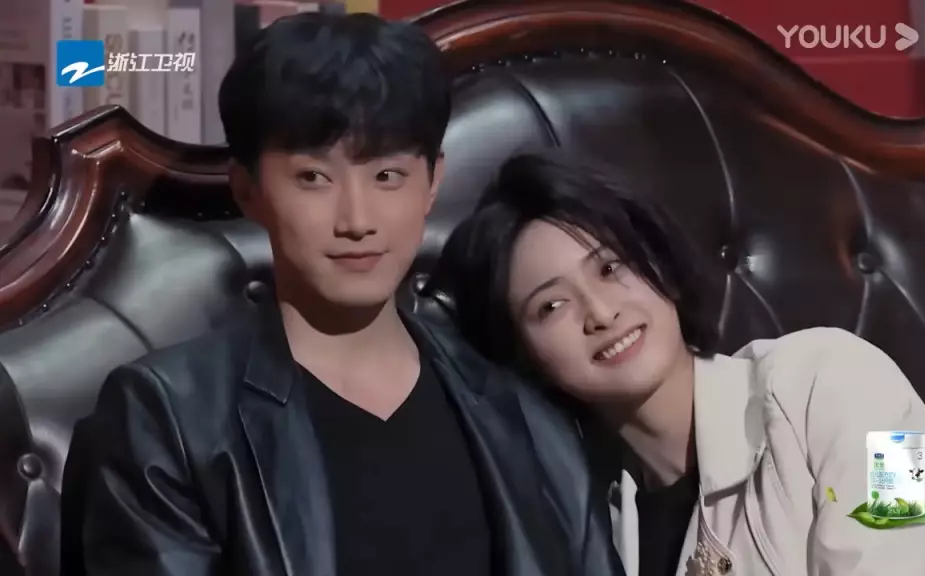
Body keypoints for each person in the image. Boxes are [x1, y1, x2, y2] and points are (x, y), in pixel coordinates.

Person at [60, 14, 624, 576]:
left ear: (432, 183)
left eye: (387, 176)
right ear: (248, 190)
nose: (356, 220)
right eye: (314, 178)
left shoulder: (523, 417)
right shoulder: (167, 420)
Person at [429, 152, 925, 576]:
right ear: (524, 356)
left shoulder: (839, 378)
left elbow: (921, 549)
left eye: (610, 268)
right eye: (551, 306)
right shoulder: (596, 530)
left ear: (658, 265)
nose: (601, 313)